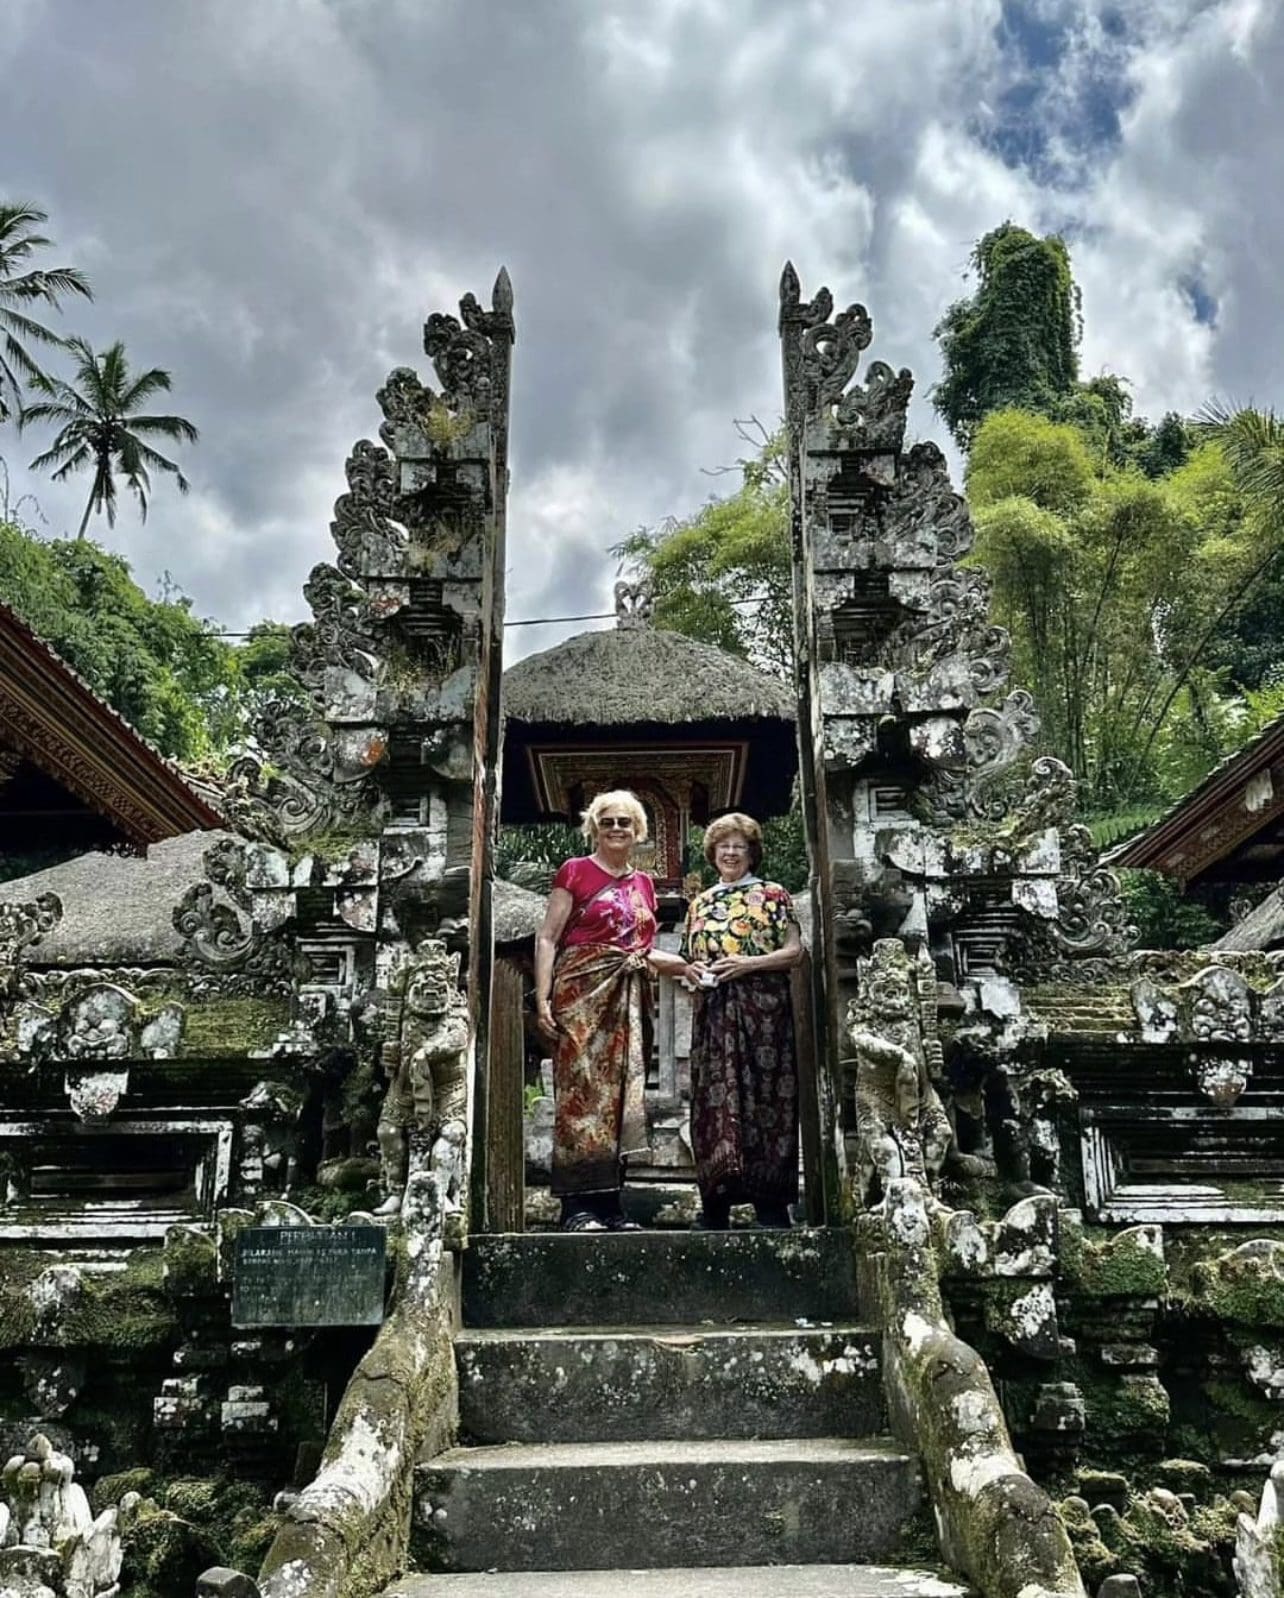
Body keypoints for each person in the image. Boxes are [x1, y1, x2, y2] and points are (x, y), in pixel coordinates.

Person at [534, 789, 689, 1231]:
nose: (616, 828)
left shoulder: (643, 885)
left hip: (629, 998)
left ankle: (611, 1205)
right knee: (582, 1093)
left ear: (638, 830)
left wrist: (687, 967)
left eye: (624, 822)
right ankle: (576, 1207)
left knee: (623, 1096)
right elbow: (548, 937)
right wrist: (543, 997)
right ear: (594, 829)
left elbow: (642, 950)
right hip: (581, 994)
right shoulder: (575, 871)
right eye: (608, 822)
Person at [682, 812, 803, 1229]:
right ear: (712, 853)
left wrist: (748, 964)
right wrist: (694, 972)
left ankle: (771, 1206)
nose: (731, 853)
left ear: (752, 853)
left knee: (766, 1100)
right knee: (713, 1104)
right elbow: (688, 960)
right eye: (724, 846)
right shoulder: (699, 903)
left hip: (764, 1012)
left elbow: (795, 952)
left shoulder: (773, 895)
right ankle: (715, 1205)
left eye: (739, 846)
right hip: (714, 1014)